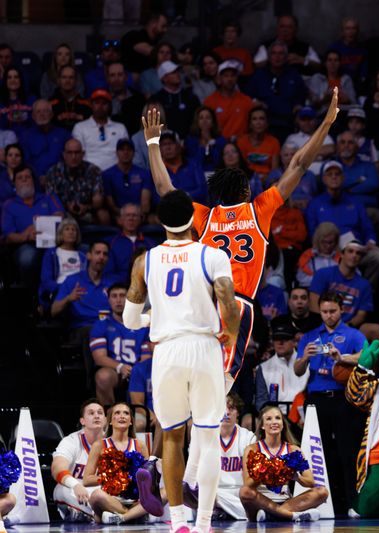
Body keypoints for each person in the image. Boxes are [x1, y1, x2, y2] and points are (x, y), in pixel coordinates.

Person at [144, 90, 338, 392]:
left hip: (202, 303)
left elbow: (163, 187)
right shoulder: (258, 210)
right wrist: (325, 125)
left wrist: (152, 143)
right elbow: (299, 164)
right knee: (221, 384)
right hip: (236, 302)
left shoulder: (204, 217)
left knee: (196, 379)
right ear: (245, 191)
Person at [123, 188, 239, 533]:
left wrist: (154, 319)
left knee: (171, 436)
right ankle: (203, 523)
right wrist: (229, 334)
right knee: (207, 437)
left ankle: (178, 523)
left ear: (160, 221)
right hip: (204, 347)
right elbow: (228, 303)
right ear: (194, 218)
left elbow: (130, 320)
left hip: (167, 351)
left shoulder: (145, 260)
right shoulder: (213, 255)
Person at [293, 291, 365, 515]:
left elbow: (366, 357)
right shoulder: (311, 335)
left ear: (341, 309)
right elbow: (297, 371)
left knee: (348, 452)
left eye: (333, 311)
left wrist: (341, 357)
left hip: (343, 398)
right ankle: (320, 504)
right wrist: (304, 357)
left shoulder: (352, 335)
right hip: (316, 400)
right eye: (324, 311)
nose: (328, 316)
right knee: (317, 453)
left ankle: (352, 504)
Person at [305, 160, 379, 284]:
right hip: (329, 250)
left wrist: (370, 241)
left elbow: (367, 226)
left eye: (337, 174)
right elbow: (313, 233)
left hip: (355, 248)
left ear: (343, 178)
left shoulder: (355, 201)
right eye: (330, 174)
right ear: (323, 179)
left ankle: (363, 289)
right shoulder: (315, 204)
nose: (334, 177)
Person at [239, 406, 327, 521]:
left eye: (277, 418)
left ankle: (272, 515)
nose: (274, 422)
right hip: (260, 503)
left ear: (283, 423)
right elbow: (248, 484)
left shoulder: (293, 450)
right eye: (269, 419)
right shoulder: (253, 449)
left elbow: (311, 482)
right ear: (262, 425)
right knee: (244, 492)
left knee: (322, 492)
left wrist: (296, 477)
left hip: (286, 501)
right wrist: (264, 472)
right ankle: (291, 515)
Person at [185, 394, 257, 521]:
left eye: (232, 408)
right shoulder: (203, 435)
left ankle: (221, 511)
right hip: (212, 491)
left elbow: (251, 478)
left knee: (246, 495)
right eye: (223, 407)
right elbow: (193, 471)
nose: (227, 412)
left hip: (237, 493)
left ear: (238, 413)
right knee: (189, 490)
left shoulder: (248, 438)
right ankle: (228, 512)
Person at [82, 402, 151, 524]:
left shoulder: (140, 445)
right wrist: (112, 478)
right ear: (110, 421)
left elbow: (148, 478)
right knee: (96, 495)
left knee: (165, 492)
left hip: (136, 500)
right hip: (111, 499)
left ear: (131, 421)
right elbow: (87, 480)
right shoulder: (99, 445)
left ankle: (123, 517)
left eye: (126, 413)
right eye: (117, 413)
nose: (122, 416)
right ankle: (137, 514)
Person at [89, 282, 151, 404]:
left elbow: (146, 358)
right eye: (114, 296)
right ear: (108, 299)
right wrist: (120, 367)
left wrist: (135, 370)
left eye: (122, 296)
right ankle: (109, 418)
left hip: (138, 369)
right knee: (103, 376)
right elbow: (99, 358)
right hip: (114, 370)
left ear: (129, 299)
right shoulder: (100, 325)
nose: (118, 300)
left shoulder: (142, 325)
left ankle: (144, 417)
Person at [2, 166, 63, 287]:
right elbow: (9, 237)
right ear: (14, 184)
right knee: (27, 259)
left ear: (33, 180)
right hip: (26, 245)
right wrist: (26, 236)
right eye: (20, 178)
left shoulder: (48, 197)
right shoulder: (9, 205)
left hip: (53, 242)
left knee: (83, 250)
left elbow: (60, 216)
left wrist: (42, 225)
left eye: (27, 177)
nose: (24, 180)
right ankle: (30, 296)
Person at [51, 399, 107, 522]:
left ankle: (99, 516)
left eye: (100, 413)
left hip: (102, 492)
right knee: (62, 489)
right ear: (82, 421)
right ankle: (104, 516)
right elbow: (57, 468)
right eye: (91, 413)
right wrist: (75, 484)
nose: (96, 415)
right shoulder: (71, 441)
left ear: (105, 419)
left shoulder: (113, 442)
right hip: (75, 489)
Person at [245, 41, 307, 142]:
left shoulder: (294, 75)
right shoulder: (259, 76)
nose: (277, 57)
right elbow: (248, 97)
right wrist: (256, 102)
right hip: (265, 123)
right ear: (269, 57)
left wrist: (298, 106)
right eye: (274, 53)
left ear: (286, 57)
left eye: (281, 53)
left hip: (288, 122)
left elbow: (301, 97)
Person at [309, 235, 373, 327]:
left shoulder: (364, 285)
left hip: (348, 329)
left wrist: (345, 326)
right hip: (321, 324)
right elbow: (313, 303)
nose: (354, 255)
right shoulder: (323, 274)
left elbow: (361, 315)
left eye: (358, 253)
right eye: (350, 251)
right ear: (342, 254)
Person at [51, 241, 115, 329]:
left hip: (106, 330)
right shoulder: (72, 280)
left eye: (105, 254)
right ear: (88, 256)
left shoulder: (112, 284)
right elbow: (54, 311)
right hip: (81, 330)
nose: (101, 257)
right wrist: (68, 298)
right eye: (97, 253)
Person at [44, 138, 107, 224]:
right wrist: (66, 206)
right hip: (62, 212)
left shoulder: (93, 171)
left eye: (77, 153)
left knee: (103, 214)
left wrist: (86, 207)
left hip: (87, 211)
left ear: (83, 154)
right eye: (70, 153)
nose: (73, 157)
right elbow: (50, 199)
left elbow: (98, 200)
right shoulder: (53, 172)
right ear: (64, 155)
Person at [254, 323, 309, 410]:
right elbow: (261, 401)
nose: (280, 343)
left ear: (294, 342)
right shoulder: (263, 368)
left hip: (302, 415)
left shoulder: (306, 363)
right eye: (276, 339)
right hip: (275, 416)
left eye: (285, 339)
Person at [72, 89, 129, 172]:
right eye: (97, 103)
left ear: (109, 106)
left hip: (115, 173)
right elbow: (78, 154)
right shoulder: (80, 127)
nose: (100, 107)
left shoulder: (120, 128)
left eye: (104, 103)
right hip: (89, 173)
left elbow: (125, 154)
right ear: (91, 105)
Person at [39, 217, 85, 309]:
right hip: (59, 291)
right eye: (67, 229)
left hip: (79, 292)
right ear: (60, 234)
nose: (71, 232)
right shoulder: (51, 253)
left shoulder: (83, 256)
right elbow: (46, 280)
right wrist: (64, 289)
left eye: (74, 229)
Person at [204, 60, 255, 139]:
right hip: (218, 144)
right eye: (226, 76)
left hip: (241, 144)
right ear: (219, 78)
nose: (230, 79)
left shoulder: (247, 101)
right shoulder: (209, 101)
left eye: (232, 75)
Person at [102, 139, 153, 218]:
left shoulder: (145, 174)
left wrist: (134, 215)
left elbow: (145, 204)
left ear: (134, 153)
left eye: (129, 149)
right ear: (116, 153)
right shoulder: (107, 174)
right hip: (117, 216)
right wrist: (126, 215)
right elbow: (110, 204)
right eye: (122, 149)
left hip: (139, 215)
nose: (125, 152)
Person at [20, 99, 71, 178]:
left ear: (51, 114)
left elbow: (70, 158)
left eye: (45, 111)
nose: (42, 114)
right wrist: (38, 176)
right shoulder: (25, 136)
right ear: (33, 116)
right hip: (35, 179)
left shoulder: (64, 134)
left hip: (61, 178)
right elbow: (25, 162)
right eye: (38, 112)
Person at [105, 204, 155, 280]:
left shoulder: (151, 243)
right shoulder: (111, 243)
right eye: (127, 215)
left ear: (140, 219)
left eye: (134, 215)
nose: (131, 218)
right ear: (120, 220)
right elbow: (108, 272)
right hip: (119, 286)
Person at [156, 130, 207, 204]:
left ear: (179, 145)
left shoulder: (194, 165)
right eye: (164, 144)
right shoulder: (157, 170)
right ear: (159, 149)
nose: (168, 147)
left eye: (171, 143)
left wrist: (183, 197)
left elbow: (202, 190)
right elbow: (155, 197)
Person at [153, 60, 200, 138]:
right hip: (166, 140)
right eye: (173, 72)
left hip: (190, 138)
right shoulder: (157, 99)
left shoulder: (190, 96)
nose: (177, 74)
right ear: (164, 78)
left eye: (177, 71)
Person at [307, 49, 357, 115]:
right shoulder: (317, 78)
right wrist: (324, 99)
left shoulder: (346, 79)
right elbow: (312, 103)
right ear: (325, 63)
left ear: (339, 63)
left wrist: (347, 99)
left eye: (336, 60)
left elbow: (354, 103)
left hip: (343, 113)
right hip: (323, 114)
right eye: (330, 60)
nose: (332, 63)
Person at [236, 106, 280, 176]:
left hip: (268, 181)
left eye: (261, 119)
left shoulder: (274, 142)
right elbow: (240, 167)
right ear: (250, 124)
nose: (258, 122)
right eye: (254, 119)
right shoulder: (241, 142)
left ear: (266, 123)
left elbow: (274, 170)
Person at [296, 223, 341, 288]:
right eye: (324, 242)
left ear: (336, 242)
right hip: (313, 292)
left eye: (331, 242)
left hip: (337, 293)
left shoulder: (342, 257)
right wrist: (322, 281)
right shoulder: (307, 257)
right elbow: (301, 279)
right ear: (318, 240)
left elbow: (353, 276)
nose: (327, 246)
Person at [184, 106, 226, 175]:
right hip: (196, 175)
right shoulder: (190, 141)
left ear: (213, 122)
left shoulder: (220, 140)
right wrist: (202, 145)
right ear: (197, 122)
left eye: (208, 118)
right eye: (201, 118)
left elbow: (219, 162)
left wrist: (210, 142)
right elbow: (195, 162)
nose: (204, 121)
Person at [0, 66, 35, 135]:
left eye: (16, 77)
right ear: (5, 81)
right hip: (5, 139)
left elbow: (36, 120)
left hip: (28, 137)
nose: (13, 80)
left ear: (20, 80)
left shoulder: (31, 100)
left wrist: (11, 116)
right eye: (9, 77)